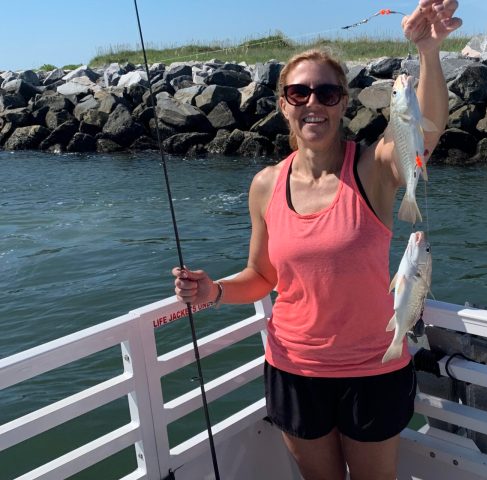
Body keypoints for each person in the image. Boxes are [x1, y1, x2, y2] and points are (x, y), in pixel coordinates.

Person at [173, 1, 462, 478]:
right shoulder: (266, 184)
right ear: (284, 103)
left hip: (373, 367)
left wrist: (427, 53)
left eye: (328, 93)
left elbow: (423, 132)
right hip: (293, 367)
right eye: (299, 92)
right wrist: (215, 291)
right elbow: (262, 276)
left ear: (344, 102)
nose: (314, 103)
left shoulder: (372, 168)